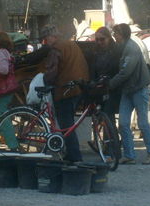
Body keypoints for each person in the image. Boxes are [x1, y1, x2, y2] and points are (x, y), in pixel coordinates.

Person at [109, 23, 150, 165]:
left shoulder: (131, 48)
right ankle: (129, 155)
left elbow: (126, 72)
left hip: (138, 89)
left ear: (122, 35)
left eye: (116, 34)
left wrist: (111, 84)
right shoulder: (124, 47)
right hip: (128, 90)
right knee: (124, 123)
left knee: (143, 123)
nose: (114, 36)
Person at [40, 24, 89, 163]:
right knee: (69, 123)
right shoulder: (71, 45)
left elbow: (52, 71)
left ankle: (74, 156)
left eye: (45, 38)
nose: (45, 42)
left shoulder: (56, 49)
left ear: (52, 37)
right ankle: (71, 153)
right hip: (78, 87)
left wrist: (44, 80)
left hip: (64, 89)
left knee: (66, 125)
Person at [90, 26, 122, 119]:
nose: (99, 42)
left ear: (108, 38)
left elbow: (117, 69)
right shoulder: (95, 51)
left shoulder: (116, 50)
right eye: (97, 39)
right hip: (99, 87)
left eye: (102, 39)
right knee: (104, 116)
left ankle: (110, 133)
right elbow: (93, 68)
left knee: (108, 115)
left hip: (112, 88)